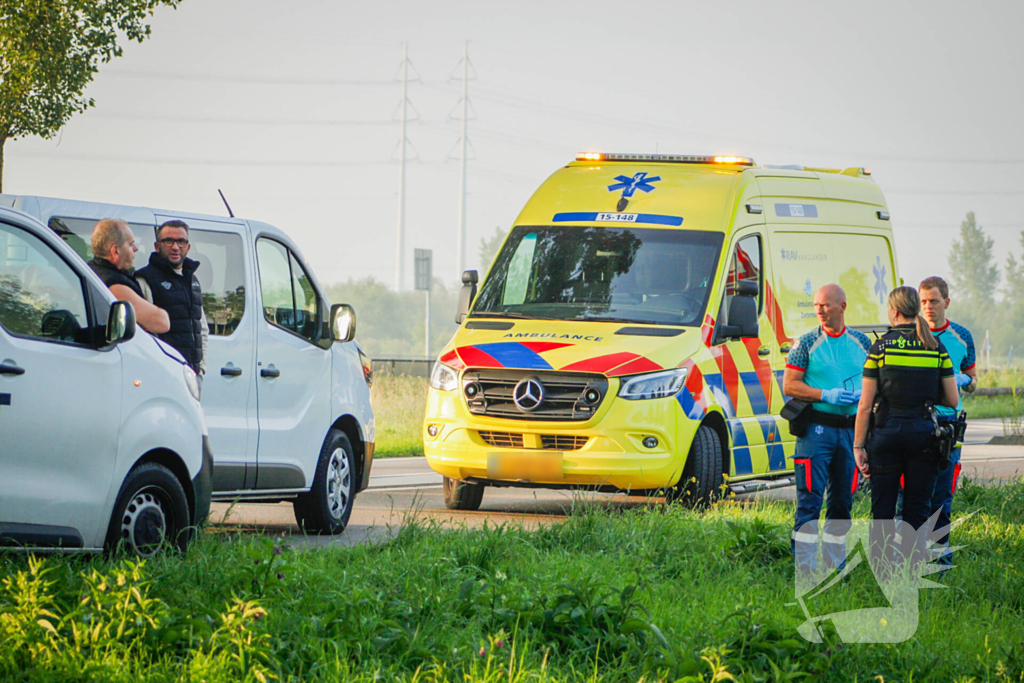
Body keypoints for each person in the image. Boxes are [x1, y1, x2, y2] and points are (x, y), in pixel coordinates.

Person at [854, 287, 959, 559]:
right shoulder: (936, 346)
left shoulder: (880, 347)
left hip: (885, 434)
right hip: (923, 434)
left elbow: (865, 404)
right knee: (917, 506)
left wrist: (858, 446)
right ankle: (912, 566)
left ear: (895, 311)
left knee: (883, 507)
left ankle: (882, 566)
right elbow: (951, 399)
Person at [783, 284, 872, 571]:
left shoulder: (863, 343)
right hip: (816, 431)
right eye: (817, 305)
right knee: (809, 500)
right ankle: (804, 569)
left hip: (850, 431)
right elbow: (790, 384)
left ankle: (836, 567)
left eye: (826, 305)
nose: (820, 310)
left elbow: (875, 380)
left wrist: (866, 395)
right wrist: (825, 394)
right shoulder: (806, 343)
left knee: (842, 503)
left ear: (843, 306)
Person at [919, 275, 976, 566]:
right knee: (915, 492)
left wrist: (962, 378)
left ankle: (940, 556)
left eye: (934, 301)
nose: (928, 307)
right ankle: (912, 555)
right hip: (916, 421)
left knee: (943, 492)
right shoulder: (910, 334)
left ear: (947, 303)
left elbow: (974, 380)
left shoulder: (962, 336)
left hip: (950, 423)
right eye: (924, 301)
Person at [136, 220, 208, 380]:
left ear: (188, 248)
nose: (175, 247)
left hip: (191, 375)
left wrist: (200, 368)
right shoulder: (145, 279)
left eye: (181, 241)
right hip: (161, 373)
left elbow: (201, 328)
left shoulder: (192, 280)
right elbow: (140, 332)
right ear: (157, 246)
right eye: (168, 241)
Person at [88, 219, 170, 335]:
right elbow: (161, 323)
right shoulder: (114, 284)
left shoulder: (91, 270)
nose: (136, 248)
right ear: (115, 251)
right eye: (131, 244)